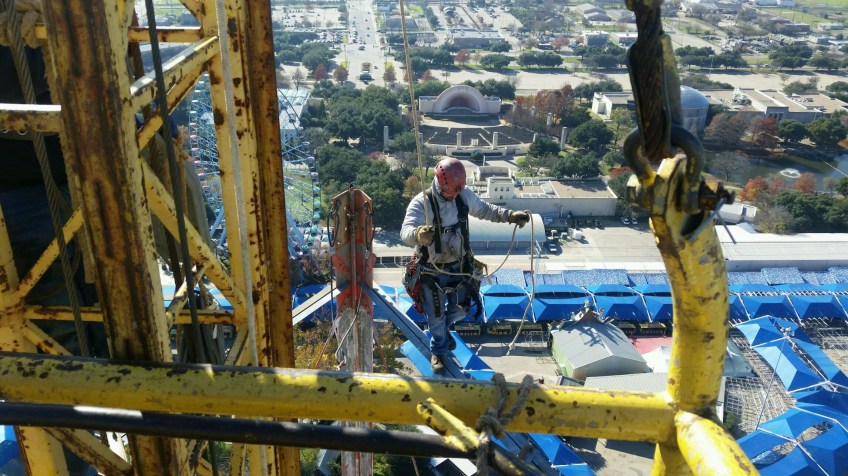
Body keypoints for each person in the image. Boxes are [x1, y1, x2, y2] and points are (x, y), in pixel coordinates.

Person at [401, 158, 529, 373]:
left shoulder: (463, 196)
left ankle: (442, 331)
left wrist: (510, 216)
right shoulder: (422, 203)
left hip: (460, 267)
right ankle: (439, 350)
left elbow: (486, 210)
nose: (455, 195)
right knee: (435, 315)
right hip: (431, 270)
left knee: (462, 309)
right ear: (441, 184)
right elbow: (406, 231)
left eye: (459, 190)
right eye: (452, 190)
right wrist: (418, 235)